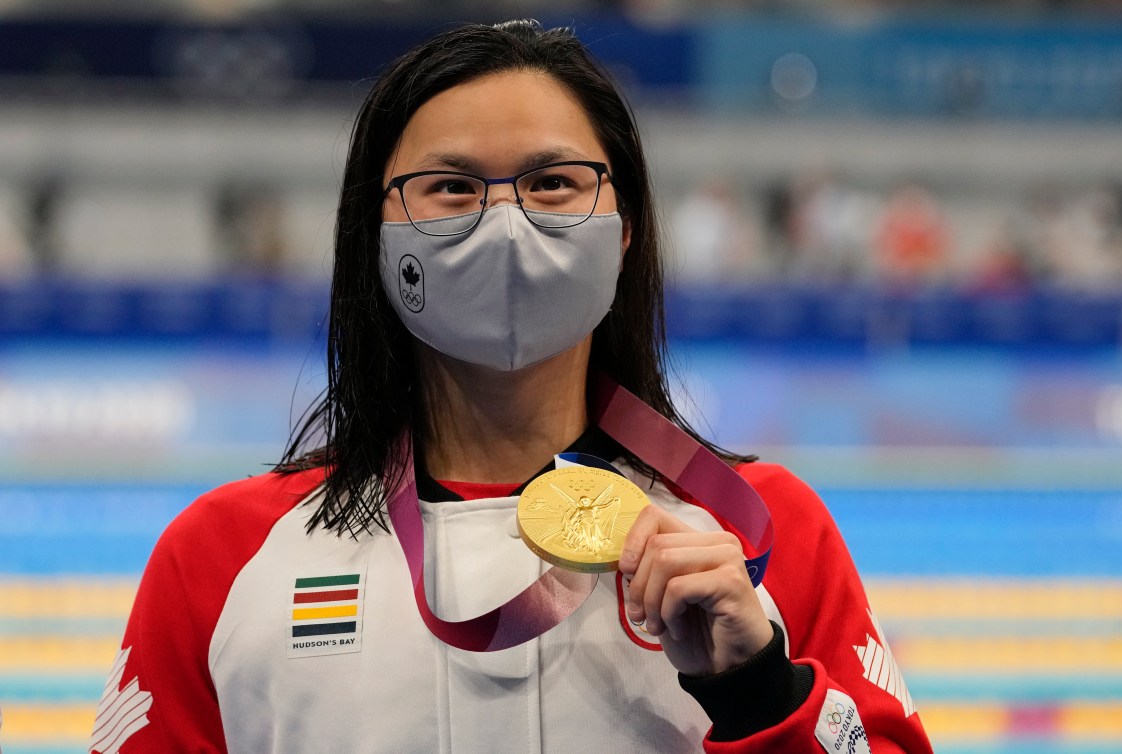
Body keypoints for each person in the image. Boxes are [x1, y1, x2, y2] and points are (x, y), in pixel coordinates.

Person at [90, 20, 933, 754]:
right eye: (452, 187)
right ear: (373, 235)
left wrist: (760, 692)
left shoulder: (765, 534)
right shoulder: (221, 555)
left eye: (552, 183)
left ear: (625, 228)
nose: (506, 222)